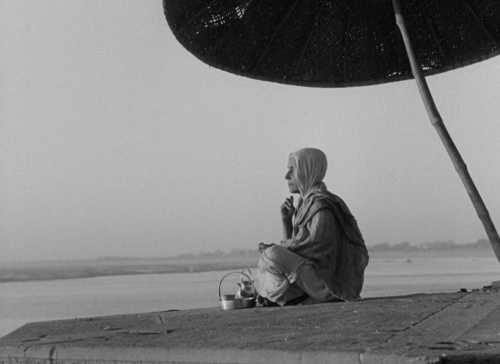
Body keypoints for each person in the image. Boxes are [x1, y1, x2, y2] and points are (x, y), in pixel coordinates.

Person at [257, 148, 369, 306]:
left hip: (328, 284)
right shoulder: (306, 204)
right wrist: (286, 221)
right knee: (269, 257)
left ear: (307, 170)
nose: (286, 176)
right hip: (312, 279)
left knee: (272, 254)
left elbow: (315, 247)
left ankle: (286, 297)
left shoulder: (321, 204)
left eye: (292, 169)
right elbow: (298, 255)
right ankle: (292, 297)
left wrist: (279, 248)